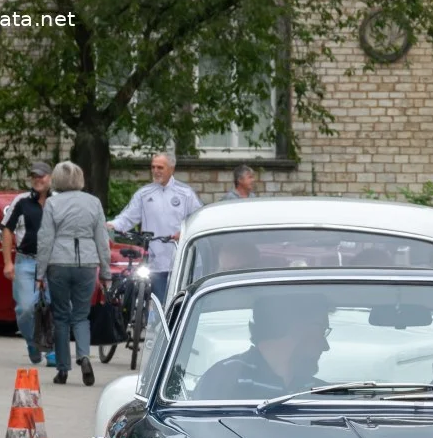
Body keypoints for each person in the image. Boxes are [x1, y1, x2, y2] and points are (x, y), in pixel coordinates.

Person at [36, 161, 111, 386]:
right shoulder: (94, 203)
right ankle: (84, 355)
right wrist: (106, 271)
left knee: (60, 317)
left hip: (59, 262)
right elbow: (102, 240)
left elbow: (45, 240)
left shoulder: (52, 204)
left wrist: (39, 273)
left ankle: (62, 369)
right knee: (81, 315)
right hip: (87, 263)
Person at [193, 294, 331, 399]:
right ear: (295, 327)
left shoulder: (321, 391)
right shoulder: (223, 379)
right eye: (322, 330)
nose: (326, 346)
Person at [108, 151, 202, 303]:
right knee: (158, 302)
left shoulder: (186, 194)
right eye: (153, 167)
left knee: (177, 301)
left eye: (160, 167)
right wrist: (112, 224)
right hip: (155, 260)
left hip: (179, 258)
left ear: (171, 169)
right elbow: (128, 217)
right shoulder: (144, 194)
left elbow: (198, 219)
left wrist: (184, 233)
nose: (156, 171)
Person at [1, 161, 54, 365]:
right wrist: (8, 263)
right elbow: (7, 230)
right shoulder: (21, 201)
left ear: (50, 177)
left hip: (53, 263)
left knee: (52, 307)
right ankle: (33, 341)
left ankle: (50, 349)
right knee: (25, 309)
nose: (37, 180)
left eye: (41, 176)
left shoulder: (58, 201)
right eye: (34, 176)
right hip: (26, 262)